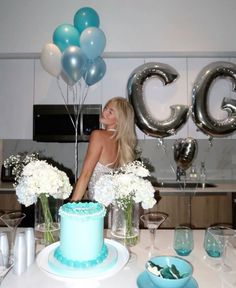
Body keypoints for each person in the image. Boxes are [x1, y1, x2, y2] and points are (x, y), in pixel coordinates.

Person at [71, 97, 137, 201]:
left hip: (99, 205)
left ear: (120, 119)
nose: (104, 112)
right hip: (115, 202)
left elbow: (86, 174)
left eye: (110, 111)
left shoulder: (98, 135)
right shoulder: (121, 143)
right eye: (106, 108)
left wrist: (72, 205)